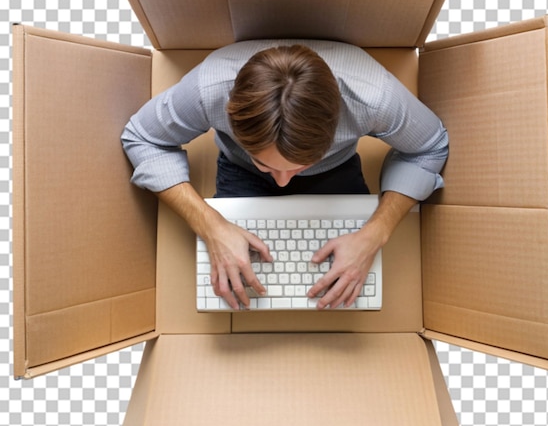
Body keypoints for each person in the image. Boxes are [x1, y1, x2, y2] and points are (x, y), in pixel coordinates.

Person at [121, 39, 448, 311]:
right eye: (268, 165)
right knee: (233, 286)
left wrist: (376, 233)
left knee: (350, 291)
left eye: (298, 167)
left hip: (335, 167)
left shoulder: (375, 98)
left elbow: (429, 147)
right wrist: (209, 224)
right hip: (239, 168)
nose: (282, 183)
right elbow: (141, 137)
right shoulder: (208, 89)